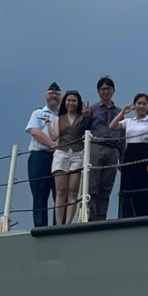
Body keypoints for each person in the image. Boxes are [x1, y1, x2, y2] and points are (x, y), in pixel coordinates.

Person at [110, 93, 148, 218]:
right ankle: (127, 215)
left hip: (144, 152)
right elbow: (112, 126)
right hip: (130, 153)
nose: (141, 106)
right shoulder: (129, 121)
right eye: (139, 103)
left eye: (144, 104)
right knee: (128, 185)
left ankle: (143, 215)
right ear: (135, 105)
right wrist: (123, 112)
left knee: (143, 185)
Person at [84, 76, 124, 221]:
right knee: (92, 186)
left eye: (108, 88)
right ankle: (90, 218)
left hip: (113, 149)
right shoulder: (92, 109)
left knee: (106, 188)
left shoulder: (119, 111)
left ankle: (101, 219)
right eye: (103, 89)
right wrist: (85, 117)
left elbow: (123, 134)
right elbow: (82, 130)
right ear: (98, 91)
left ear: (113, 90)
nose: (106, 91)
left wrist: (122, 157)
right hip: (96, 147)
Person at [47, 90, 88, 224]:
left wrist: (87, 117)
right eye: (69, 100)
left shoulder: (82, 117)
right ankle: (59, 223)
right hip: (62, 153)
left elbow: (85, 132)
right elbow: (54, 136)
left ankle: (68, 222)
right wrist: (48, 123)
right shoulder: (59, 118)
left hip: (77, 153)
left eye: (74, 101)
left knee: (73, 191)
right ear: (65, 102)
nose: (71, 103)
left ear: (78, 103)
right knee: (60, 191)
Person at [24, 83, 62, 227]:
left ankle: (58, 225)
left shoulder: (63, 116)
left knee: (59, 192)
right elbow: (35, 132)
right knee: (40, 193)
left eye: (57, 94)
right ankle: (40, 226)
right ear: (46, 96)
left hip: (58, 157)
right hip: (40, 156)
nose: (54, 96)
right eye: (51, 93)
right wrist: (52, 144)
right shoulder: (38, 113)